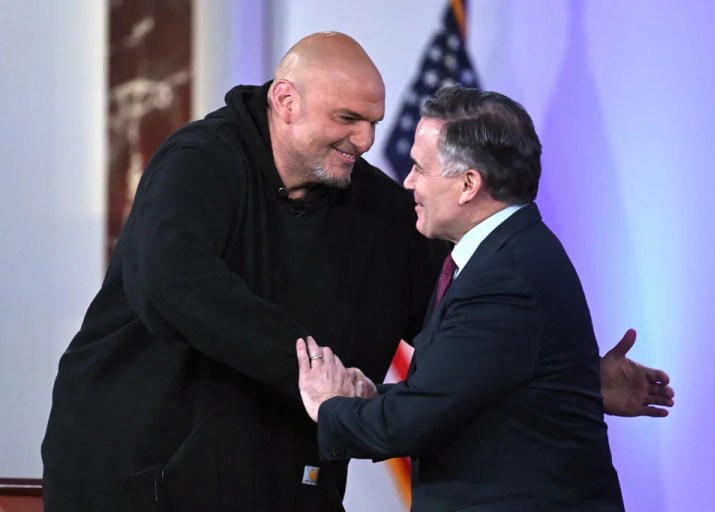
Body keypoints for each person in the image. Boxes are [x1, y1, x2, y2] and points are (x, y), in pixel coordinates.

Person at [42, 32, 671, 512]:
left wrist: (570, 377)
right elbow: (172, 287)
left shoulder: (381, 210)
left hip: (286, 485)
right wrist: (312, 370)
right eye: (348, 120)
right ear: (284, 101)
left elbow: (474, 333)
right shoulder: (197, 163)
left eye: (374, 121)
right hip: (141, 480)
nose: (368, 141)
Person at [296, 86, 628, 511]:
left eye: (419, 168)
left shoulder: (506, 278)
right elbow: (459, 393)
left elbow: (415, 422)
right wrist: (371, 398)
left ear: (469, 183)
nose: (408, 182)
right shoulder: (498, 257)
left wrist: (330, 406)